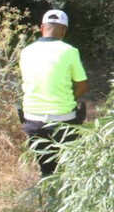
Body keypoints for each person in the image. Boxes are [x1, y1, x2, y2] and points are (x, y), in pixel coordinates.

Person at [19, 10, 88, 177]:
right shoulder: (69, 51)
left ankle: (50, 198)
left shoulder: (26, 51)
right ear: (64, 30)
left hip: (33, 118)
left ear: (42, 27)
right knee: (70, 168)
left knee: (46, 169)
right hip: (64, 119)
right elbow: (82, 84)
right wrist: (69, 99)